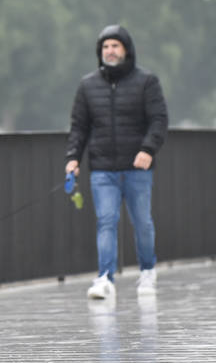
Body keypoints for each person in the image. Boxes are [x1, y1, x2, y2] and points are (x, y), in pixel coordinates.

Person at [65, 24, 168, 301]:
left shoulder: (147, 82)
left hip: (137, 168)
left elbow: (159, 120)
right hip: (102, 169)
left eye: (115, 46)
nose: (110, 51)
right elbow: (79, 127)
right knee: (106, 221)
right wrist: (73, 158)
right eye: (105, 47)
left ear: (126, 50)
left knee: (142, 222)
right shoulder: (87, 86)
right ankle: (105, 278)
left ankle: (147, 271)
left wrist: (148, 149)